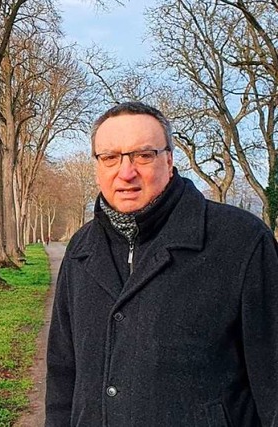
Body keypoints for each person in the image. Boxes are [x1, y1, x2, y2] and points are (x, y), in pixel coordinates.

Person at [45, 101, 278, 426]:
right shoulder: (80, 249)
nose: (126, 172)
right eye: (110, 157)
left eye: (143, 155)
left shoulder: (241, 240)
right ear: (97, 166)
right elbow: (62, 373)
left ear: (169, 160)